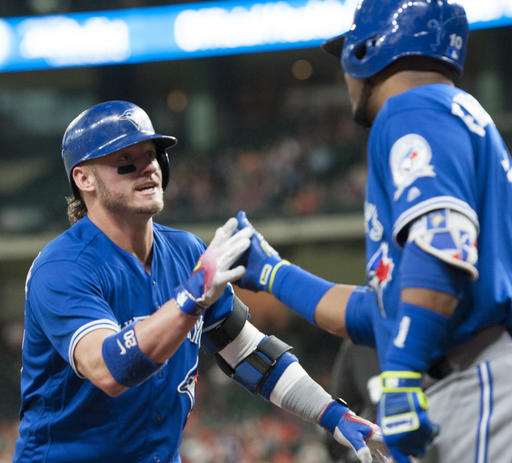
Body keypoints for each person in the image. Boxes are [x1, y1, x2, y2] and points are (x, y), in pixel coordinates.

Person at [13, 100, 387, 463]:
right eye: (126, 162)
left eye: (152, 156)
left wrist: (332, 415)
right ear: (84, 178)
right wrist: (189, 299)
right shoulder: (63, 267)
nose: (149, 169)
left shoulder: (186, 250)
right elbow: (108, 370)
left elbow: (249, 354)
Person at [232, 1, 512, 462]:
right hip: (467, 376)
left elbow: (441, 245)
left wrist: (400, 377)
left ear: (366, 51)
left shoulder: (411, 108)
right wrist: (273, 274)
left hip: (472, 378)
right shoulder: (450, 111)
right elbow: (380, 312)